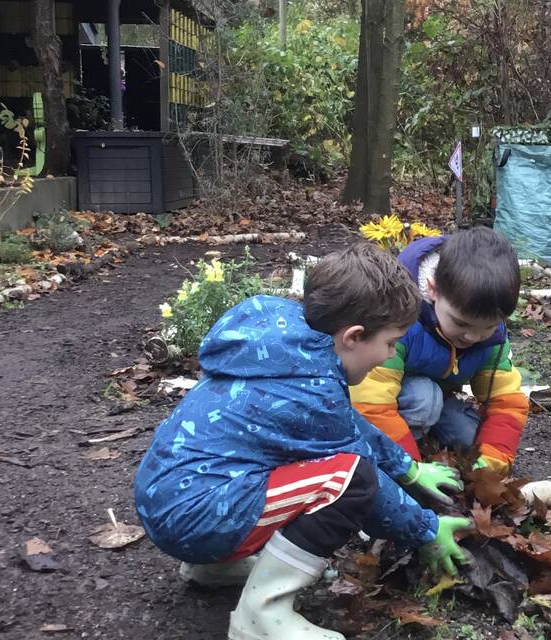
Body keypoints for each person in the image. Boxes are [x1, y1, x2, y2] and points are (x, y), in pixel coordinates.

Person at [133, 243, 469, 640]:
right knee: (351, 479)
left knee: (272, 462)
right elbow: (365, 482)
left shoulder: (286, 347)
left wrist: (408, 468)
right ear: (354, 337)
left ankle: (214, 566)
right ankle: (261, 615)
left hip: (168, 499)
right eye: (391, 342)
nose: (390, 355)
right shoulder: (314, 393)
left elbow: (349, 425)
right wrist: (426, 530)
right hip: (198, 519)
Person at [350, 227, 528, 475]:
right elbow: (371, 403)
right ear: (433, 289)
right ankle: (398, 452)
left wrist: (491, 463)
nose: (472, 337)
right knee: (425, 398)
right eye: (461, 323)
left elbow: (505, 401)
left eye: (488, 327)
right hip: (395, 398)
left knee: (469, 436)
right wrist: (409, 470)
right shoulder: (399, 321)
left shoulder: (492, 339)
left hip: (441, 399)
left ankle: (423, 441)